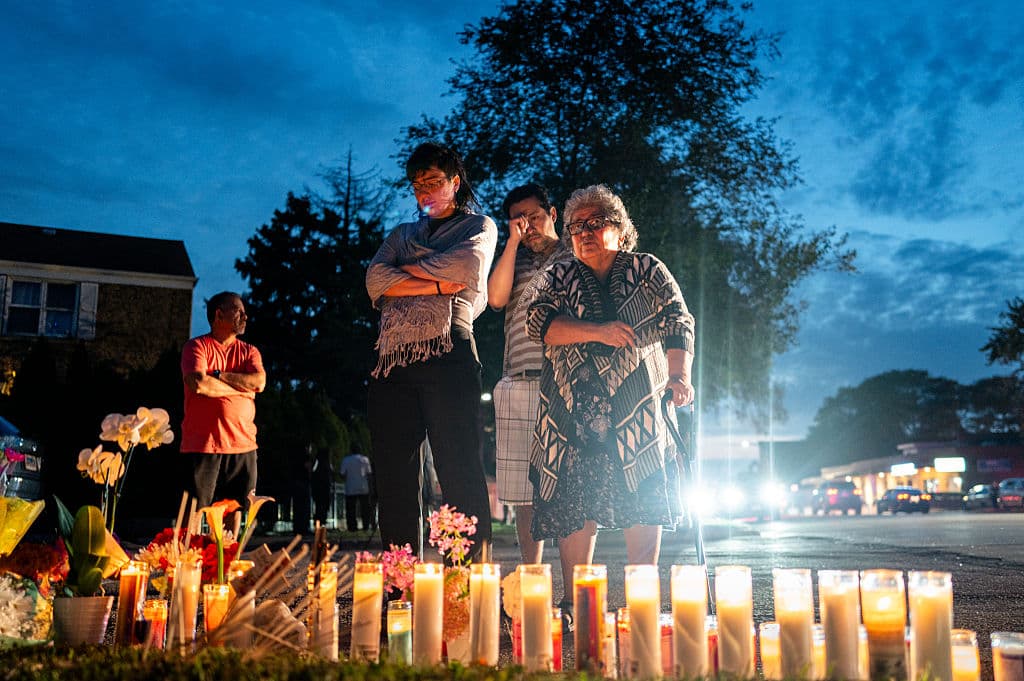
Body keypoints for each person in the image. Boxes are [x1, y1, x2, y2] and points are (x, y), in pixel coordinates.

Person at [526, 184, 695, 591]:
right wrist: (598, 331)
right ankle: (577, 603)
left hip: (639, 408)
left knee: (643, 498)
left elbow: (678, 320)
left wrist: (679, 376)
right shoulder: (558, 276)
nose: (584, 232)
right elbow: (538, 323)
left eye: (595, 223)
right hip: (572, 412)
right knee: (575, 504)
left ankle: (642, 602)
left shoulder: (648, 268)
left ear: (620, 229)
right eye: (576, 226)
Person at [365, 142, 496, 558]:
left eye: (434, 182)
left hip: (449, 351)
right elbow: (374, 280)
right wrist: (438, 284)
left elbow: (467, 268)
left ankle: (467, 580)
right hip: (393, 358)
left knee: (458, 471)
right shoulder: (402, 234)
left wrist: (401, 274)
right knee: (395, 477)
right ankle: (400, 581)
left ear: (454, 182)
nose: (425, 192)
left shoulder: (479, 226)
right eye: (417, 184)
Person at [487, 183, 572, 564]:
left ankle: (575, 576)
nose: (528, 227)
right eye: (518, 221)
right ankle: (531, 572)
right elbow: (495, 299)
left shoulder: (574, 253)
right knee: (525, 491)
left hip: (564, 378)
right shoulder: (514, 259)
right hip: (519, 376)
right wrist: (510, 243)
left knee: (569, 482)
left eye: (534, 217)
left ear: (552, 214)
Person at [180, 291, 267, 512]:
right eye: (238, 312)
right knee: (195, 512)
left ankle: (229, 540)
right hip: (204, 444)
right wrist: (242, 391)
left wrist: (218, 375)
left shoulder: (249, 351)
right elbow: (199, 383)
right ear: (219, 315)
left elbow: (259, 382)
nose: (245, 317)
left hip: (243, 444)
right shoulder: (196, 347)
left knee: (234, 510)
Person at [339, 445, 373, 531]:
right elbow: (369, 473)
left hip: (350, 487)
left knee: (351, 509)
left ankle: (352, 526)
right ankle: (366, 526)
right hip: (363, 487)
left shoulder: (346, 460)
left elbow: (342, 473)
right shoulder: (365, 459)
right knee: (365, 508)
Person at [310, 446, 334, 527]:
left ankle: (319, 523)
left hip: (319, 488)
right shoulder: (326, 464)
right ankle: (321, 522)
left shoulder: (319, 462)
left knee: (319, 507)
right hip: (323, 488)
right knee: (323, 506)